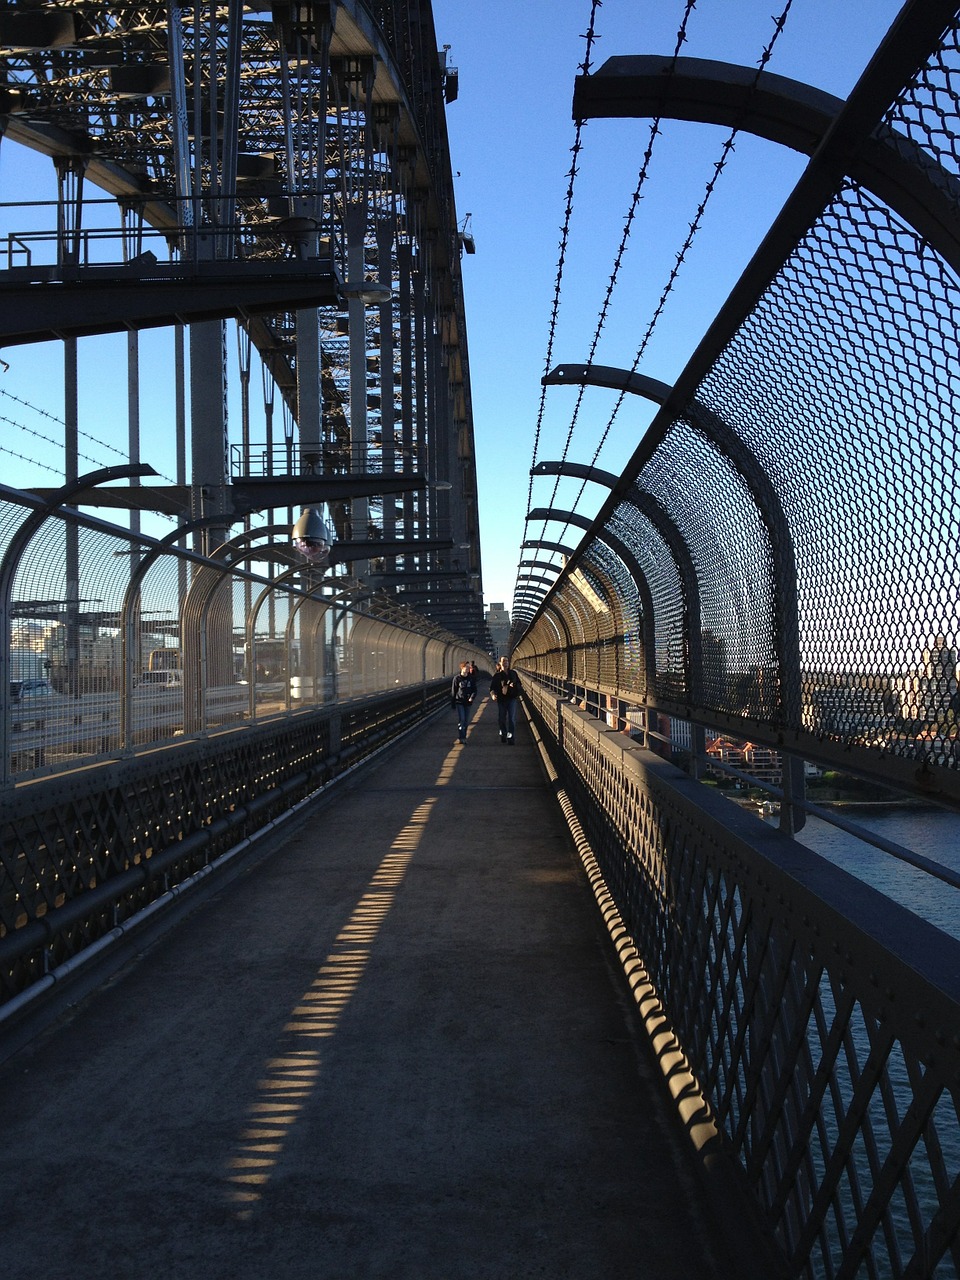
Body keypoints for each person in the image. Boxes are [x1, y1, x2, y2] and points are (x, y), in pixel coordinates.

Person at [489, 656, 521, 744]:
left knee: (511, 719)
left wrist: (514, 686)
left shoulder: (513, 673)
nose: (505, 663)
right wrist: (493, 695)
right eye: (503, 661)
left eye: (507, 661)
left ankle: (511, 737)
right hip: (501, 699)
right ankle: (503, 733)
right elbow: (492, 688)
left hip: (512, 698)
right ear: (500, 663)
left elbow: (519, 684)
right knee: (502, 718)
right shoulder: (497, 676)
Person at [450, 660, 477, 743]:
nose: (468, 669)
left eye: (469, 667)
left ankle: (464, 736)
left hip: (468, 702)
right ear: (462, 668)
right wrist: (453, 702)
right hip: (459, 701)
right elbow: (454, 691)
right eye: (467, 667)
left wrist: (472, 697)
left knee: (466, 720)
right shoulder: (457, 678)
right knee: (462, 719)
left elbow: (475, 690)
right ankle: (461, 737)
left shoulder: (471, 678)